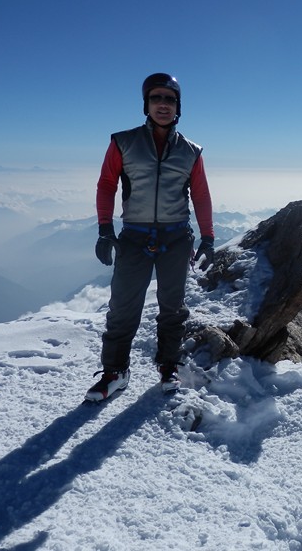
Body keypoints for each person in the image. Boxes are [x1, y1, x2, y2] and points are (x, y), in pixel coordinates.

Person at [86, 72, 215, 402]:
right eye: (156, 98)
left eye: (169, 99)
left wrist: (208, 237)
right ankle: (115, 372)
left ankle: (169, 366)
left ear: (178, 106)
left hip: (176, 237)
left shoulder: (191, 151)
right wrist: (105, 229)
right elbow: (106, 185)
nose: (163, 104)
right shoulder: (123, 142)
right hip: (134, 236)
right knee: (122, 308)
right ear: (146, 104)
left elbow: (201, 195)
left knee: (173, 307)